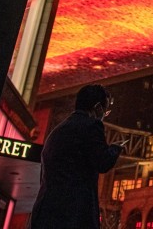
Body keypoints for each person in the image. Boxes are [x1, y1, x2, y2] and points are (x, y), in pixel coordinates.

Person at [29, 84, 125, 229]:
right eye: (105, 111)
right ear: (98, 108)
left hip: (44, 213)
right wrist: (115, 148)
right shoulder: (91, 126)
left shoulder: (57, 131)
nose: (104, 115)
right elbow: (103, 162)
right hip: (73, 215)